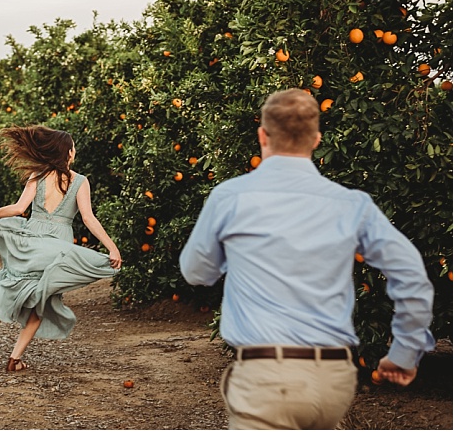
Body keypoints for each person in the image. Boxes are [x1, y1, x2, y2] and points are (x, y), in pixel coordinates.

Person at [179, 89, 435, 429]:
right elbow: (412, 275)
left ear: (262, 134)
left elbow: (196, 272)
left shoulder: (231, 197)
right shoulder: (351, 204)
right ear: (316, 139)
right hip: (333, 380)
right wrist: (404, 352)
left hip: (265, 376)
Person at [0, 125, 122, 372]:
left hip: (33, 238)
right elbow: (88, 218)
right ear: (68, 153)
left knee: (13, 277)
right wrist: (111, 248)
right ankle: (14, 359)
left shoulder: (38, 176)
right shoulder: (80, 182)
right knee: (43, 301)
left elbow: (20, 208)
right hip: (58, 247)